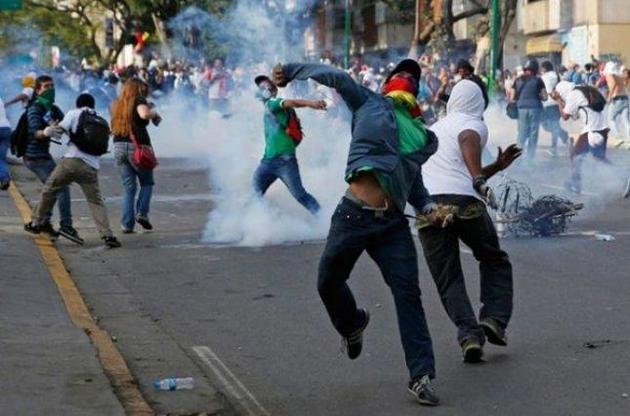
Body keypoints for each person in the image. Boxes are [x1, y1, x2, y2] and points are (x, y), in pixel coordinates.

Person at [273, 59, 442, 406]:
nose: (407, 78)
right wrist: (291, 70)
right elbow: (336, 77)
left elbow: (412, 179)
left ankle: (421, 375)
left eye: (413, 77)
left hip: (392, 226)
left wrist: (428, 207)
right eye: (401, 74)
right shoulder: (367, 102)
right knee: (327, 282)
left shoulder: (421, 135)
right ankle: (352, 325)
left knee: (408, 295)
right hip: (352, 215)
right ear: (388, 84)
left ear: (418, 93)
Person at [418, 80, 520, 362]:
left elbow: (456, 167)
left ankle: (469, 335)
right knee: (493, 259)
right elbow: (467, 140)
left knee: (447, 276)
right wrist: (478, 180)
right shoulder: (473, 124)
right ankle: (494, 319)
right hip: (464, 202)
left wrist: (495, 167)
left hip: (428, 206)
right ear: (478, 103)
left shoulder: (434, 128)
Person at [24, 94, 121, 248]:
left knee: (50, 189)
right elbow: (104, 147)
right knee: (96, 201)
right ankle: (107, 235)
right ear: (93, 105)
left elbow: (58, 131)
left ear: (78, 104)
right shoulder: (102, 120)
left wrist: (50, 128)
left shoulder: (74, 113)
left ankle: (36, 222)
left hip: (71, 161)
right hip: (91, 167)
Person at [252, 75, 325, 214]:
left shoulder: (272, 103)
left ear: (271, 90)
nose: (262, 89)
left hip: (283, 161)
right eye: (260, 87)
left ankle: (326, 219)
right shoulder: (272, 108)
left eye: (265, 86)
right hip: (269, 160)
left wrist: (311, 104)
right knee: (255, 194)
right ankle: (260, 221)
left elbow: (291, 102)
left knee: (300, 196)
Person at [23, 75, 81, 243]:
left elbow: (68, 126)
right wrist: (46, 132)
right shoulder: (35, 108)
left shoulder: (52, 108)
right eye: (46, 86)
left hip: (43, 156)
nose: (50, 89)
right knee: (60, 187)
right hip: (34, 157)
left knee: (52, 188)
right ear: (38, 90)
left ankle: (41, 223)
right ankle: (65, 225)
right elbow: (33, 132)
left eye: (52, 86)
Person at [111, 78, 162, 233]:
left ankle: (127, 224)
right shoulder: (138, 100)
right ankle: (142, 213)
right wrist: (154, 113)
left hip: (118, 146)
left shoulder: (117, 104)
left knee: (129, 188)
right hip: (136, 147)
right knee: (147, 183)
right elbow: (144, 114)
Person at [552, 81, 609, 194]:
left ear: (562, 91)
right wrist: (560, 100)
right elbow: (572, 111)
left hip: (592, 129)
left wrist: (558, 100)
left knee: (576, 155)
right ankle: (575, 183)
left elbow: (565, 116)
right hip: (601, 127)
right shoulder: (581, 91)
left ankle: (575, 184)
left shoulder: (573, 95)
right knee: (598, 157)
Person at [510, 59, 547, 161]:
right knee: (533, 133)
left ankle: (517, 157)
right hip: (535, 108)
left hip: (521, 108)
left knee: (521, 133)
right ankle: (530, 158)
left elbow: (512, 97)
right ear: (535, 69)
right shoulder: (538, 80)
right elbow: (545, 97)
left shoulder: (518, 80)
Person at [540, 61, 569, 157]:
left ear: (544, 68)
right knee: (554, 125)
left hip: (548, 103)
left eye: (541, 68)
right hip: (556, 103)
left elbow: (546, 91)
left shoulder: (544, 77)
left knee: (549, 125)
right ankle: (564, 135)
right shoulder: (556, 75)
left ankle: (554, 148)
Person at [603, 62, 629, 144]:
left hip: (617, 99)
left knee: (611, 119)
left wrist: (609, 97)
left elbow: (614, 84)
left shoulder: (610, 75)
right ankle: (629, 139)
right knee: (625, 120)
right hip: (625, 98)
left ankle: (618, 138)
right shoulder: (619, 75)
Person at [0, 96, 11, 190]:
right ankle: (5, 178)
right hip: (6, 128)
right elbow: (7, 116)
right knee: (1, 158)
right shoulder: (0, 100)